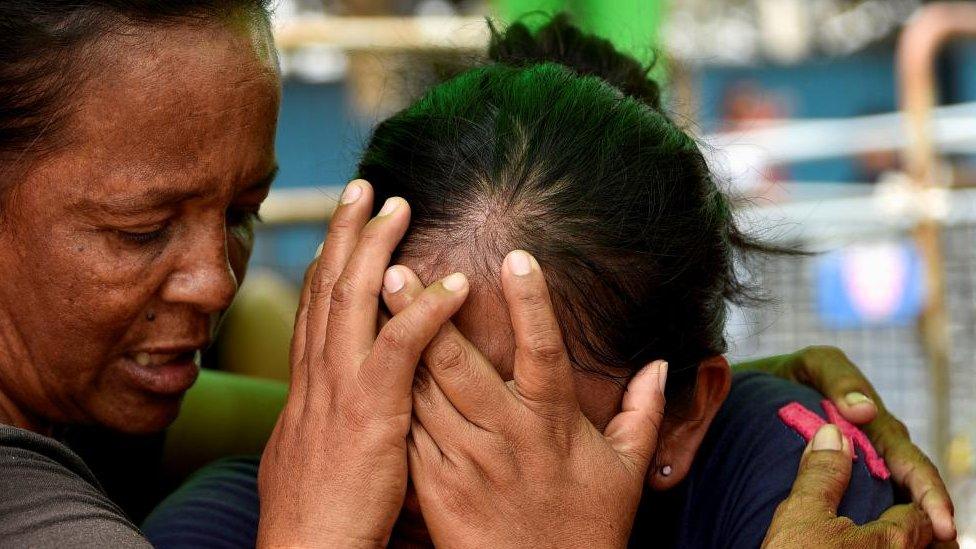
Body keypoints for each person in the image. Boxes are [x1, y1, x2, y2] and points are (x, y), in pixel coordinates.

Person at [0, 2, 954, 547]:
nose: (216, 281)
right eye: (137, 228)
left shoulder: (783, 473)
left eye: (246, 210)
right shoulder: (169, 516)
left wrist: (708, 404)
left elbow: (291, 417)